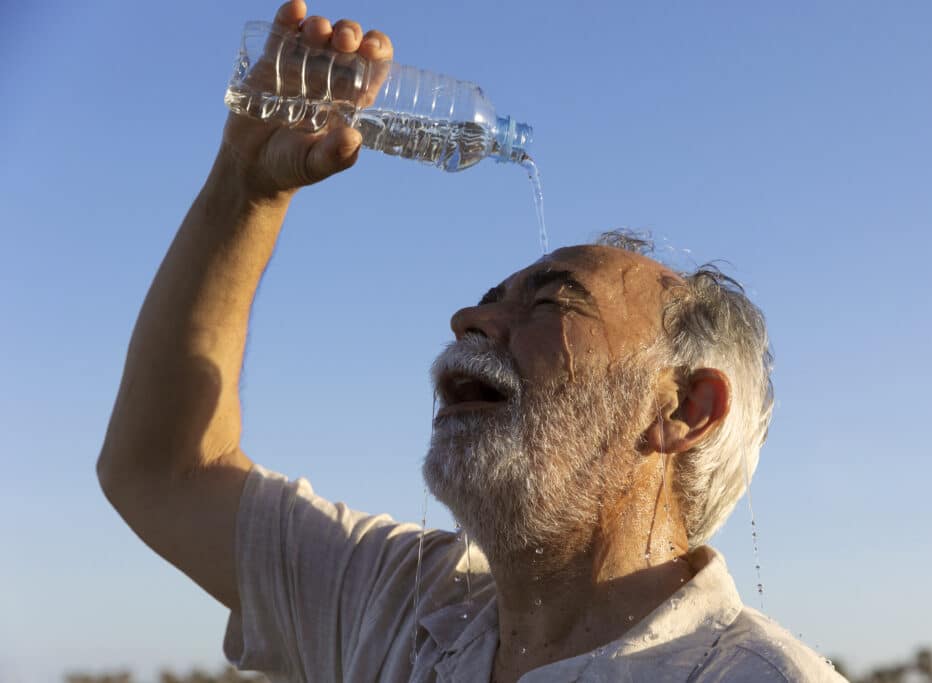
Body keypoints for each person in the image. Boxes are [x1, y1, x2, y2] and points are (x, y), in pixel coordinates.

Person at [98, 2, 846, 681]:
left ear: (684, 408)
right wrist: (245, 185)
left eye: (554, 300)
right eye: (488, 301)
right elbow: (163, 468)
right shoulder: (403, 605)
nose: (467, 319)